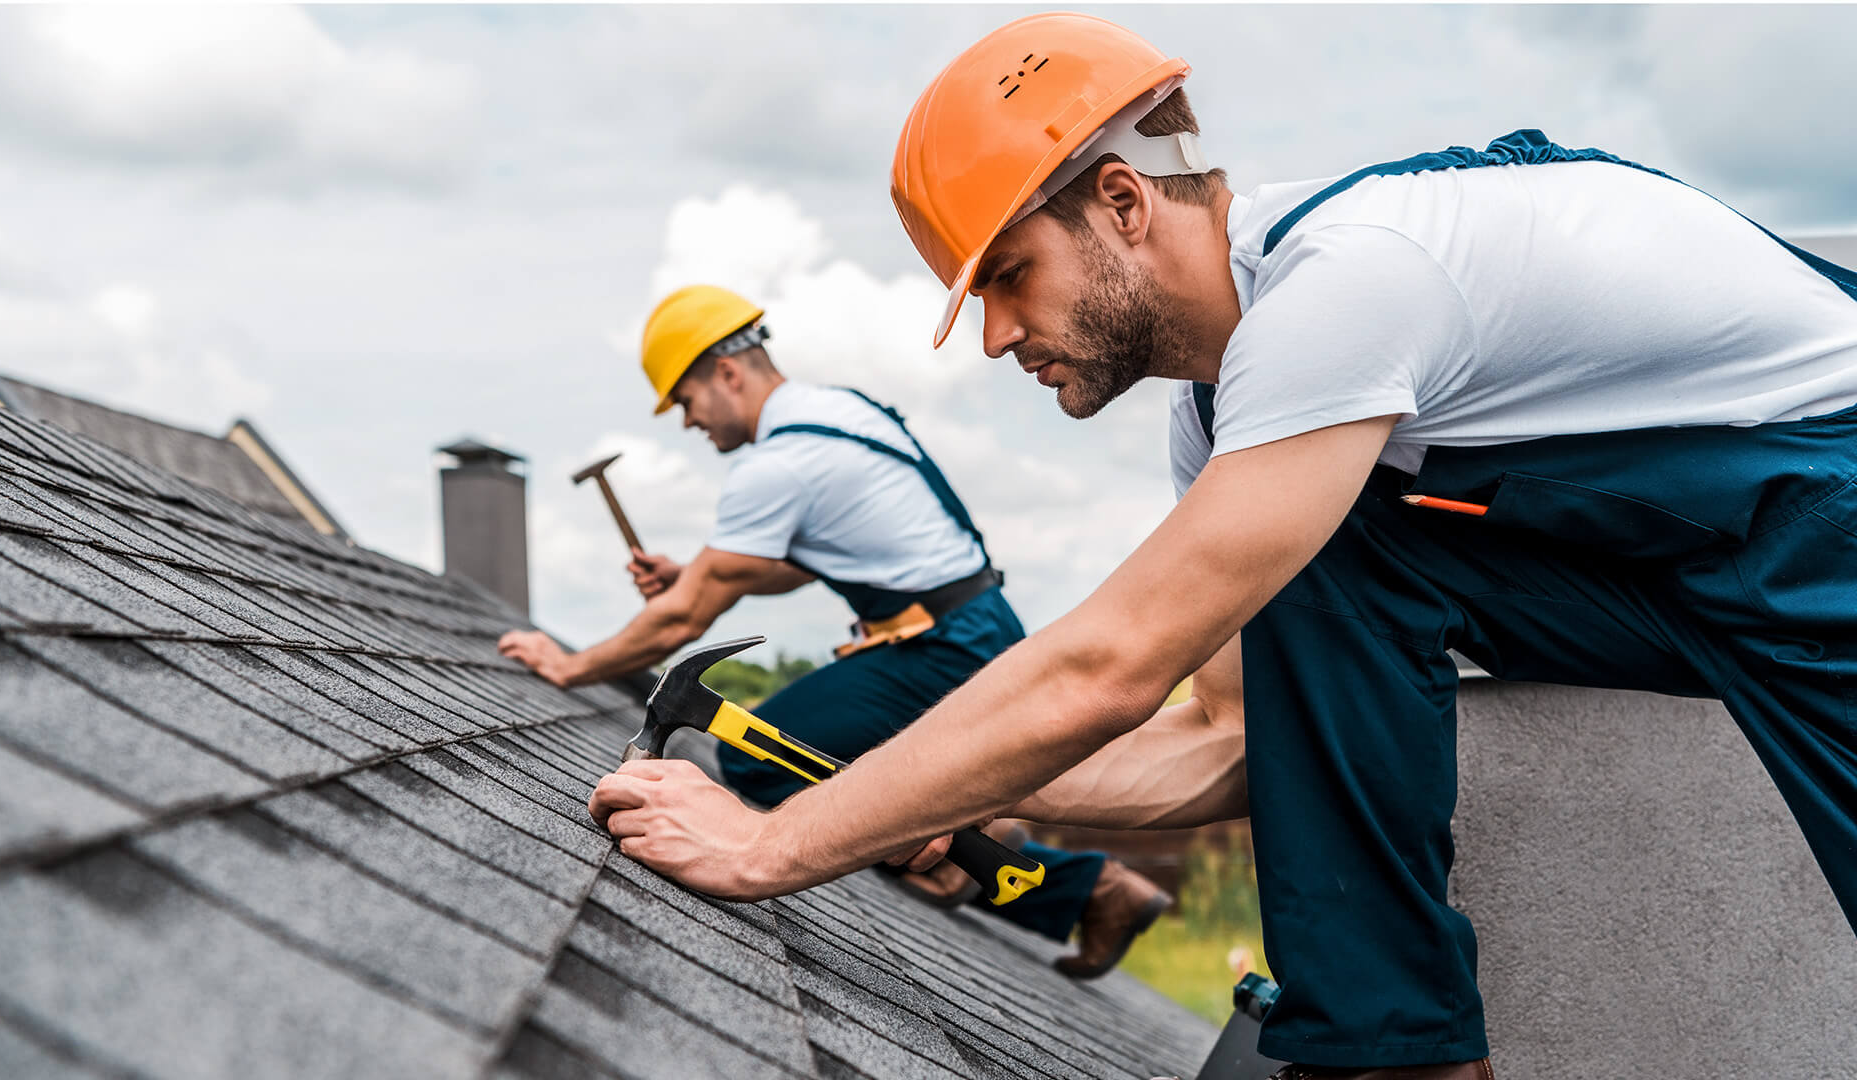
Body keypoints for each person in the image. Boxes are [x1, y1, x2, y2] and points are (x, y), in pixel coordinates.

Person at [582, 12, 1857, 1078]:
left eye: (1011, 275)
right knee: (1331, 556)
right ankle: (1393, 1053)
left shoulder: (1349, 286)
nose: (993, 337)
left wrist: (774, 842)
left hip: (1826, 520)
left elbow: (1110, 666)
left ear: (1124, 202)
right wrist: (945, 793)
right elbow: (1228, 740)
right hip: (1689, 564)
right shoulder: (1235, 423)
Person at [498, 283, 1170, 977]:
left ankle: (1017, 864)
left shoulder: (778, 462)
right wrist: (695, 573)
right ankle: (1018, 859)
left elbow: (684, 617)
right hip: (968, 627)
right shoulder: (838, 413)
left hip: (940, 648)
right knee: (848, 769)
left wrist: (570, 665)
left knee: (759, 759)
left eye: (687, 402)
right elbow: (793, 567)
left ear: (727, 373)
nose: (689, 424)